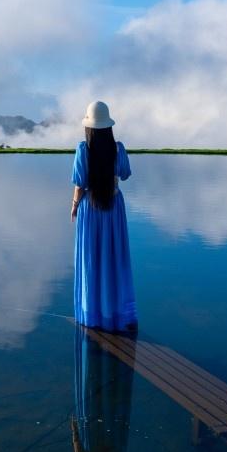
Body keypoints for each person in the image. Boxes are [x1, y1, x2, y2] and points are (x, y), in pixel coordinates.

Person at [71, 100, 137, 332]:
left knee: (92, 259)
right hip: (113, 206)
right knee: (113, 257)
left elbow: (80, 183)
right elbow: (125, 174)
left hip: (90, 208)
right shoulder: (118, 149)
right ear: (108, 126)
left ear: (88, 127)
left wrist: (74, 205)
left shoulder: (82, 150)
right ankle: (115, 313)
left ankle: (92, 313)